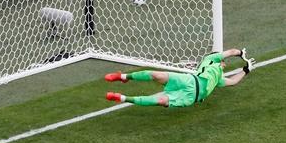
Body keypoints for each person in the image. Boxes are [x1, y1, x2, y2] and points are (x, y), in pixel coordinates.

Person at [104, 48, 253, 108]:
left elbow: (233, 81)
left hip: (191, 96)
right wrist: (241, 52)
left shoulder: (219, 79)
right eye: (222, 61)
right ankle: (123, 76)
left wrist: (246, 70)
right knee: (157, 75)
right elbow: (232, 51)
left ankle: (123, 98)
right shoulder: (210, 60)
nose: (224, 63)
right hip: (189, 80)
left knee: (161, 100)